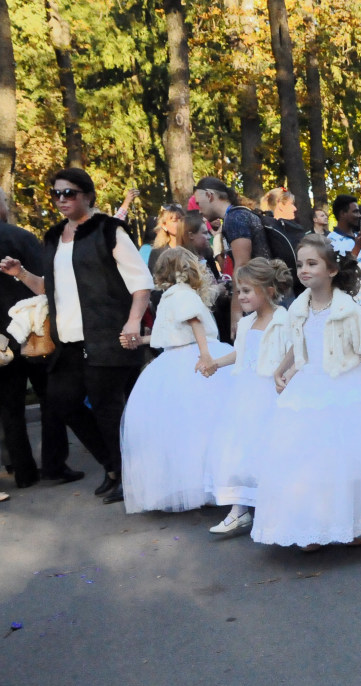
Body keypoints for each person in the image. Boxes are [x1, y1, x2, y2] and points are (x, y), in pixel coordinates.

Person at [0, 168, 152, 504]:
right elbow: (49, 289)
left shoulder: (109, 231)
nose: (61, 200)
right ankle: (112, 466)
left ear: (87, 195)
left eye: (69, 193)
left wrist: (132, 321)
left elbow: (141, 283)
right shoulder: (54, 237)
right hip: (67, 343)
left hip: (107, 337)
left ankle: (128, 475)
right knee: (62, 402)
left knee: (107, 410)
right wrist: (20, 273)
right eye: (56, 194)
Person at [252, 235, 361, 550]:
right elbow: (298, 343)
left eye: (312, 263)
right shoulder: (299, 308)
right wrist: (282, 369)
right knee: (309, 459)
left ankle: (360, 519)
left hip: (346, 381)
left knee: (352, 458)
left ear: (331, 270)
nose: (304, 270)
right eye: (300, 265)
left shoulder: (349, 308)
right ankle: (313, 523)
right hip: (309, 385)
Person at [120, 248, 234, 513]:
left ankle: (204, 482)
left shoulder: (179, 294)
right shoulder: (177, 295)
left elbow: (194, 323)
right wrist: (142, 340)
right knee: (195, 426)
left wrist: (206, 355)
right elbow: (172, 333)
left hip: (191, 356)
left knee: (190, 426)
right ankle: (203, 482)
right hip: (181, 355)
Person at [200, 258, 294, 536]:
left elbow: (294, 353)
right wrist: (217, 363)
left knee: (272, 449)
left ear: (268, 289)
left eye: (247, 291)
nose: (240, 297)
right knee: (241, 449)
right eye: (239, 291)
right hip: (245, 391)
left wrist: (288, 378)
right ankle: (239, 510)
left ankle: (277, 506)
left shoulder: (283, 319)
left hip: (272, 391)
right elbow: (242, 353)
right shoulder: (246, 323)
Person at [0, 186, 81, 491]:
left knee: (10, 405)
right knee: (50, 397)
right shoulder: (20, 237)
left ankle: (23, 471)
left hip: (0, 340)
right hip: (32, 328)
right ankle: (54, 465)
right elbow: (46, 281)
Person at [194, 177, 266, 341]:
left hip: (261, 299)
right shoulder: (240, 214)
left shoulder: (234, 218)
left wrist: (236, 310)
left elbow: (242, 265)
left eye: (199, 203)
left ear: (209, 195)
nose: (198, 210)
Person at [326, 194, 361, 326]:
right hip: (351, 302)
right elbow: (340, 271)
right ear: (342, 214)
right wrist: (357, 247)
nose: (358, 215)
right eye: (355, 211)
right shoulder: (331, 240)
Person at [147, 203, 186, 273]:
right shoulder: (157, 253)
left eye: (181, 219)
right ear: (164, 226)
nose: (180, 223)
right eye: (175, 220)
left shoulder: (193, 248)